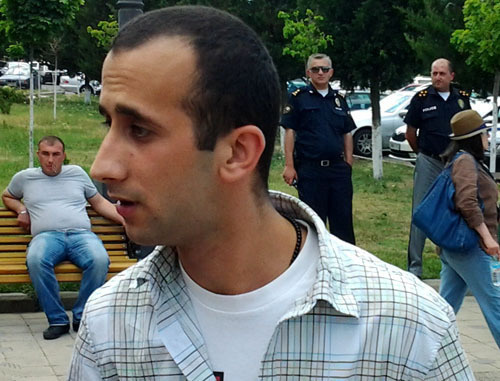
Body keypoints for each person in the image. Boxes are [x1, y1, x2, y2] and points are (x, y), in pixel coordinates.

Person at [69, 6, 473, 379]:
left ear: (237, 152)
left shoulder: (407, 329)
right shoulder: (110, 325)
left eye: (139, 130)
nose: (102, 167)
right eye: (110, 124)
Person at [1, 136, 124, 340]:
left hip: (81, 235)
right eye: (46, 154)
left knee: (100, 259)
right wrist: (21, 210)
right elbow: (7, 196)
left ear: (63, 156)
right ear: (38, 155)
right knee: (36, 260)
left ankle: (81, 317)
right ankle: (57, 320)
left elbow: (98, 202)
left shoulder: (76, 173)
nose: (51, 160)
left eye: (56, 154)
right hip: (46, 237)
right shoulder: (24, 178)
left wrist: (124, 221)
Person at [438, 109, 500, 348]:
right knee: (495, 304)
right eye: (484, 133)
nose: (487, 138)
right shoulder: (465, 161)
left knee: (444, 308)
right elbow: (466, 202)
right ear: (475, 137)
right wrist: (487, 238)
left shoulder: (467, 160)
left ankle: (420, 358)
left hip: (457, 247)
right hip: (471, 246)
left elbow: (479, 200)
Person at [405, 58, 471, 278]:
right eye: (434, 73)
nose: (437, 78)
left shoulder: (461, 99)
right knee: (420, 213)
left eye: (442, 73)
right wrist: (423, 155)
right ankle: (414, 267)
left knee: (456, 210)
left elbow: (467, 129)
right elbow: (410, 133)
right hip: (429, 161)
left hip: (455, 164)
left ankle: (453, 263)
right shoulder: (422, 99)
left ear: (451, 76)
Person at [281, 53, 356, 244]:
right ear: (308, 73)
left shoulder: (339, 99)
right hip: (311, 170)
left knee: (343, 224)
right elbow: (290, 132)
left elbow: (347, 133)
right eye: (315, 69)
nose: (320, 73)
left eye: (324, 69)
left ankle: (343, 270)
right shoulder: (299, 98)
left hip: (338, 170)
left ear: (331, 72)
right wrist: (289, 165)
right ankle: (314, 270)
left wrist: (348, 163)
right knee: (313, 226)